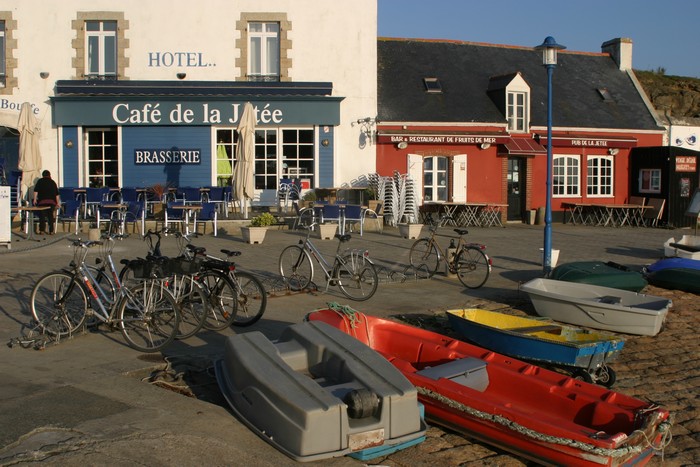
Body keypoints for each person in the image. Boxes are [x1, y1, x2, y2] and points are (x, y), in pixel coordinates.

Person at [32, 170, 60, 235]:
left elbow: (36, 191)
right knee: (50, 216)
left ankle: (42, 230)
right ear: (49, 175)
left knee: (42, 216)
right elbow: (57, 194)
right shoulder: (53, 182)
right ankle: (51, 231)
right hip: (52, 202)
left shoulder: (40, 181)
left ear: (43, 175)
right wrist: (58, 203)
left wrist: (35, 199)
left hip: (42, 201)